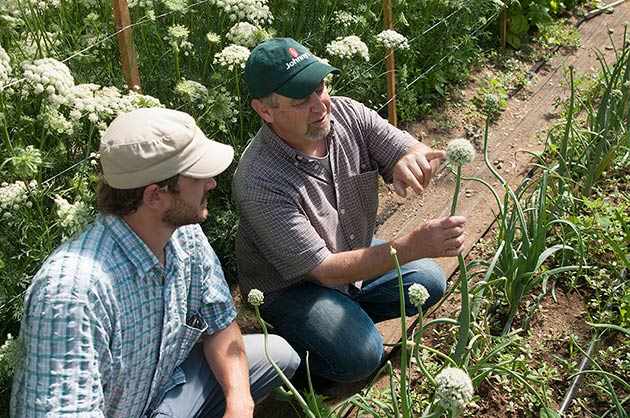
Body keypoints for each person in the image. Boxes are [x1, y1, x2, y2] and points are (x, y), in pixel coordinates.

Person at [10, 107, 300, 418]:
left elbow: (221, 322)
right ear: (155, 197)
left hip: (161, 397)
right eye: (197, 174)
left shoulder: (185, 236)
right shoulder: (73, 293)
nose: (212, 183)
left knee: (277, 355)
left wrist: (240, 404)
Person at [232, 38, 466, 385]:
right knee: (362, 356)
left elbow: (407, 147)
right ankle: (304, 356)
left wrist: (410, 157)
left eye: (320, 87)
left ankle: (341, 323)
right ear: (265, 110)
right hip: (294, 286)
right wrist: (412, 245)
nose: (320, 105)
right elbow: (323, 270)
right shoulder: (258, 181)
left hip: (349, 252)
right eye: (301, 100)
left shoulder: (347, 114)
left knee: (429, 281)